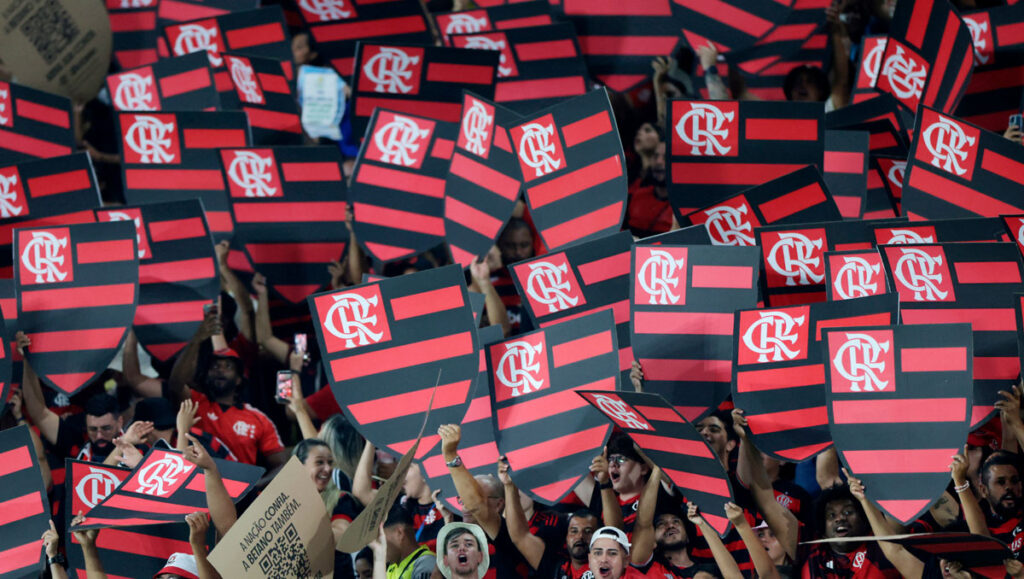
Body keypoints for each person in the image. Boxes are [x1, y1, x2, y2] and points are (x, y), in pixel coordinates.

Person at [167, 307, 287, 468]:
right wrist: (196, 340)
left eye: (228, 366)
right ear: (206, 375)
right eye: (215, 367)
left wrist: (254, 486)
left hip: (240, 491)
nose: (220, 370)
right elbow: (175, 384)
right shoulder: (195, 403)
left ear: (239, 379)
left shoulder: (258, 418)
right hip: (198, 486)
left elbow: (281, 465)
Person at [800, 483, 900, 577]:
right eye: (831, 515)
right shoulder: (814, 557)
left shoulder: (881, 546)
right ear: (823, 530)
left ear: (864, 519)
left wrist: (863, 499)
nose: (840, 518)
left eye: (848, 512)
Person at [379, 503, 436, 579]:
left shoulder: (426, 563)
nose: (377, 546)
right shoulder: (391, 567)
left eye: (380, 539)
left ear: (399, 534)